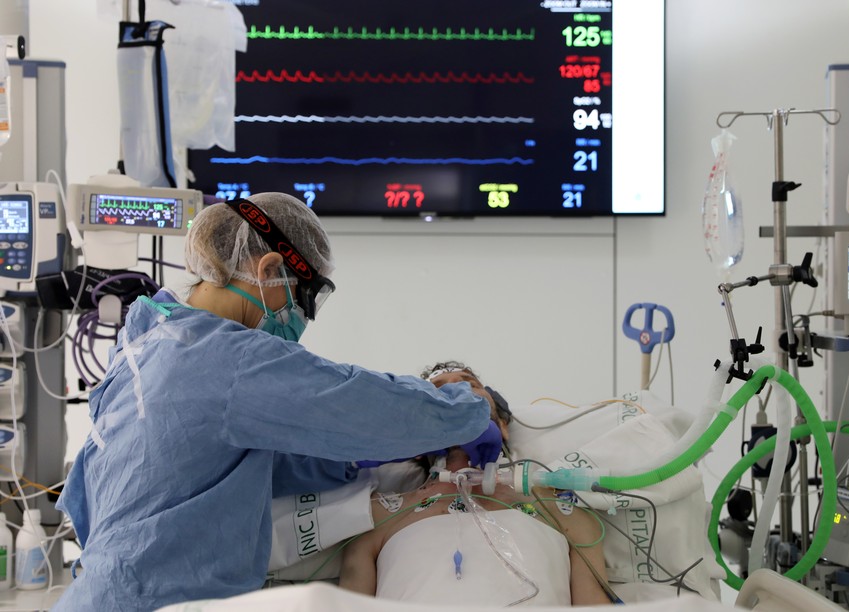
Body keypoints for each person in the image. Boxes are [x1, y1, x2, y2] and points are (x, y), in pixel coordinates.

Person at [53, 194, 501, 611]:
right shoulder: (226, 359)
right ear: (267, 271)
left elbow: (234, 467)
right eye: (305, 297)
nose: (303, 319)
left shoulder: (150, 342)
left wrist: (352, 459)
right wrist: (464, 409)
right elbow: (359, 400)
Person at [339, 361, 614, 607]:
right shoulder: (375, 519)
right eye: (437, 389)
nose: (456, 393)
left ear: (504, 426)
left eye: (468, 384)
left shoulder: (565, 515)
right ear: (415, 439)